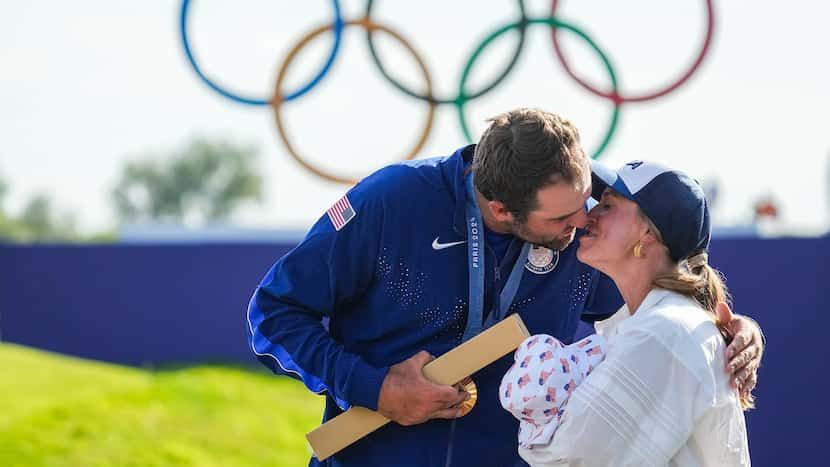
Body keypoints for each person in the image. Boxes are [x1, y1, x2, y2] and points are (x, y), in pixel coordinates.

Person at [246, 108, 763, 466]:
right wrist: (371, 387)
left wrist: (730, 324)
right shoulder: (391, 202)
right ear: (500, 210)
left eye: (590, 201)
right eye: (563, 216)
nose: (585, 220)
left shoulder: (586, 207)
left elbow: (666, 261)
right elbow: (274, 314)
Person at [510, 160, 752, 466]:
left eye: (608, 205)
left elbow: (569, 460)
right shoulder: (658, 325)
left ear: (648, 232)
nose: (589, 215)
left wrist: (533, 406)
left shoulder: (662, 332)